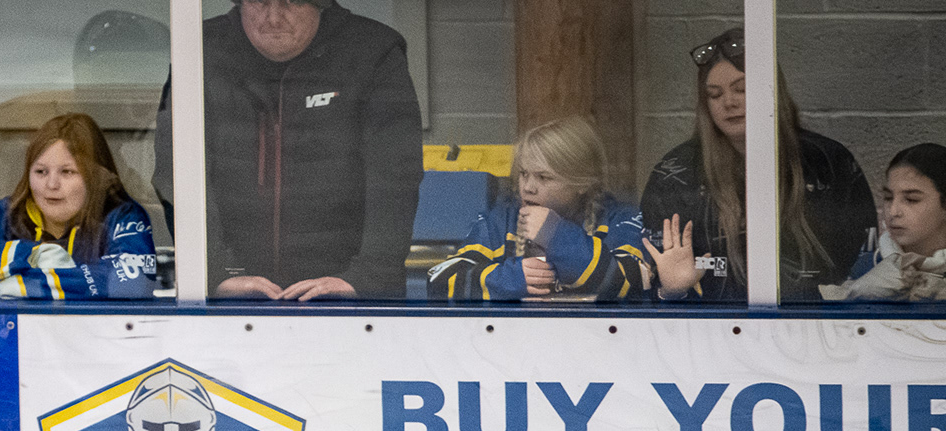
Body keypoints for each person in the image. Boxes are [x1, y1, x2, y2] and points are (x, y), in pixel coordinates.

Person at [159, 0, 422, 300]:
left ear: (319, 4)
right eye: (259, 1)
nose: (273, 18)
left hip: (347, 295)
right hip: (230, 293)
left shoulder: (372, 51)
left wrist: (364, 280)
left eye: (290, 2)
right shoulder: (201, 48)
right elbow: (176, 171)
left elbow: (395, 177)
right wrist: (216, 275)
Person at [642, 27, 875, 302]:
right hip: (710, 325)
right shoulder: (677, 173)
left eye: (741, 89)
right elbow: (648, 290)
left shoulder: (827, 161)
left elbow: (865, 270)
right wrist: (671, 292)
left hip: (814, 324)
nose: (729, 102)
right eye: (714, 95)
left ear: (772, 91)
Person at [0, 112, 157, 300]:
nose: (51, 184)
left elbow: (135, 282)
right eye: (41, 171)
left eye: (67, 172)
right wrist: (31, 254)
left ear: (96, 176)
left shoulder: (122, 215)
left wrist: (19, 286)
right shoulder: (2, 217)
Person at [428, 117, 651, 301]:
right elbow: (438, 282)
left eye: (543, 177)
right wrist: (510, 279)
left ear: (581, 183)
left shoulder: (619, 220)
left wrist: (556, 234)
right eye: (523, 174)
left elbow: (634, 285)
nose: (528, 187)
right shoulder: (502, 220)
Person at [821, 143, 946, 302]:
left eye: (911, 199)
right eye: (888, 197)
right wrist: (857, 297)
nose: (893, 211)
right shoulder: (868, 267)